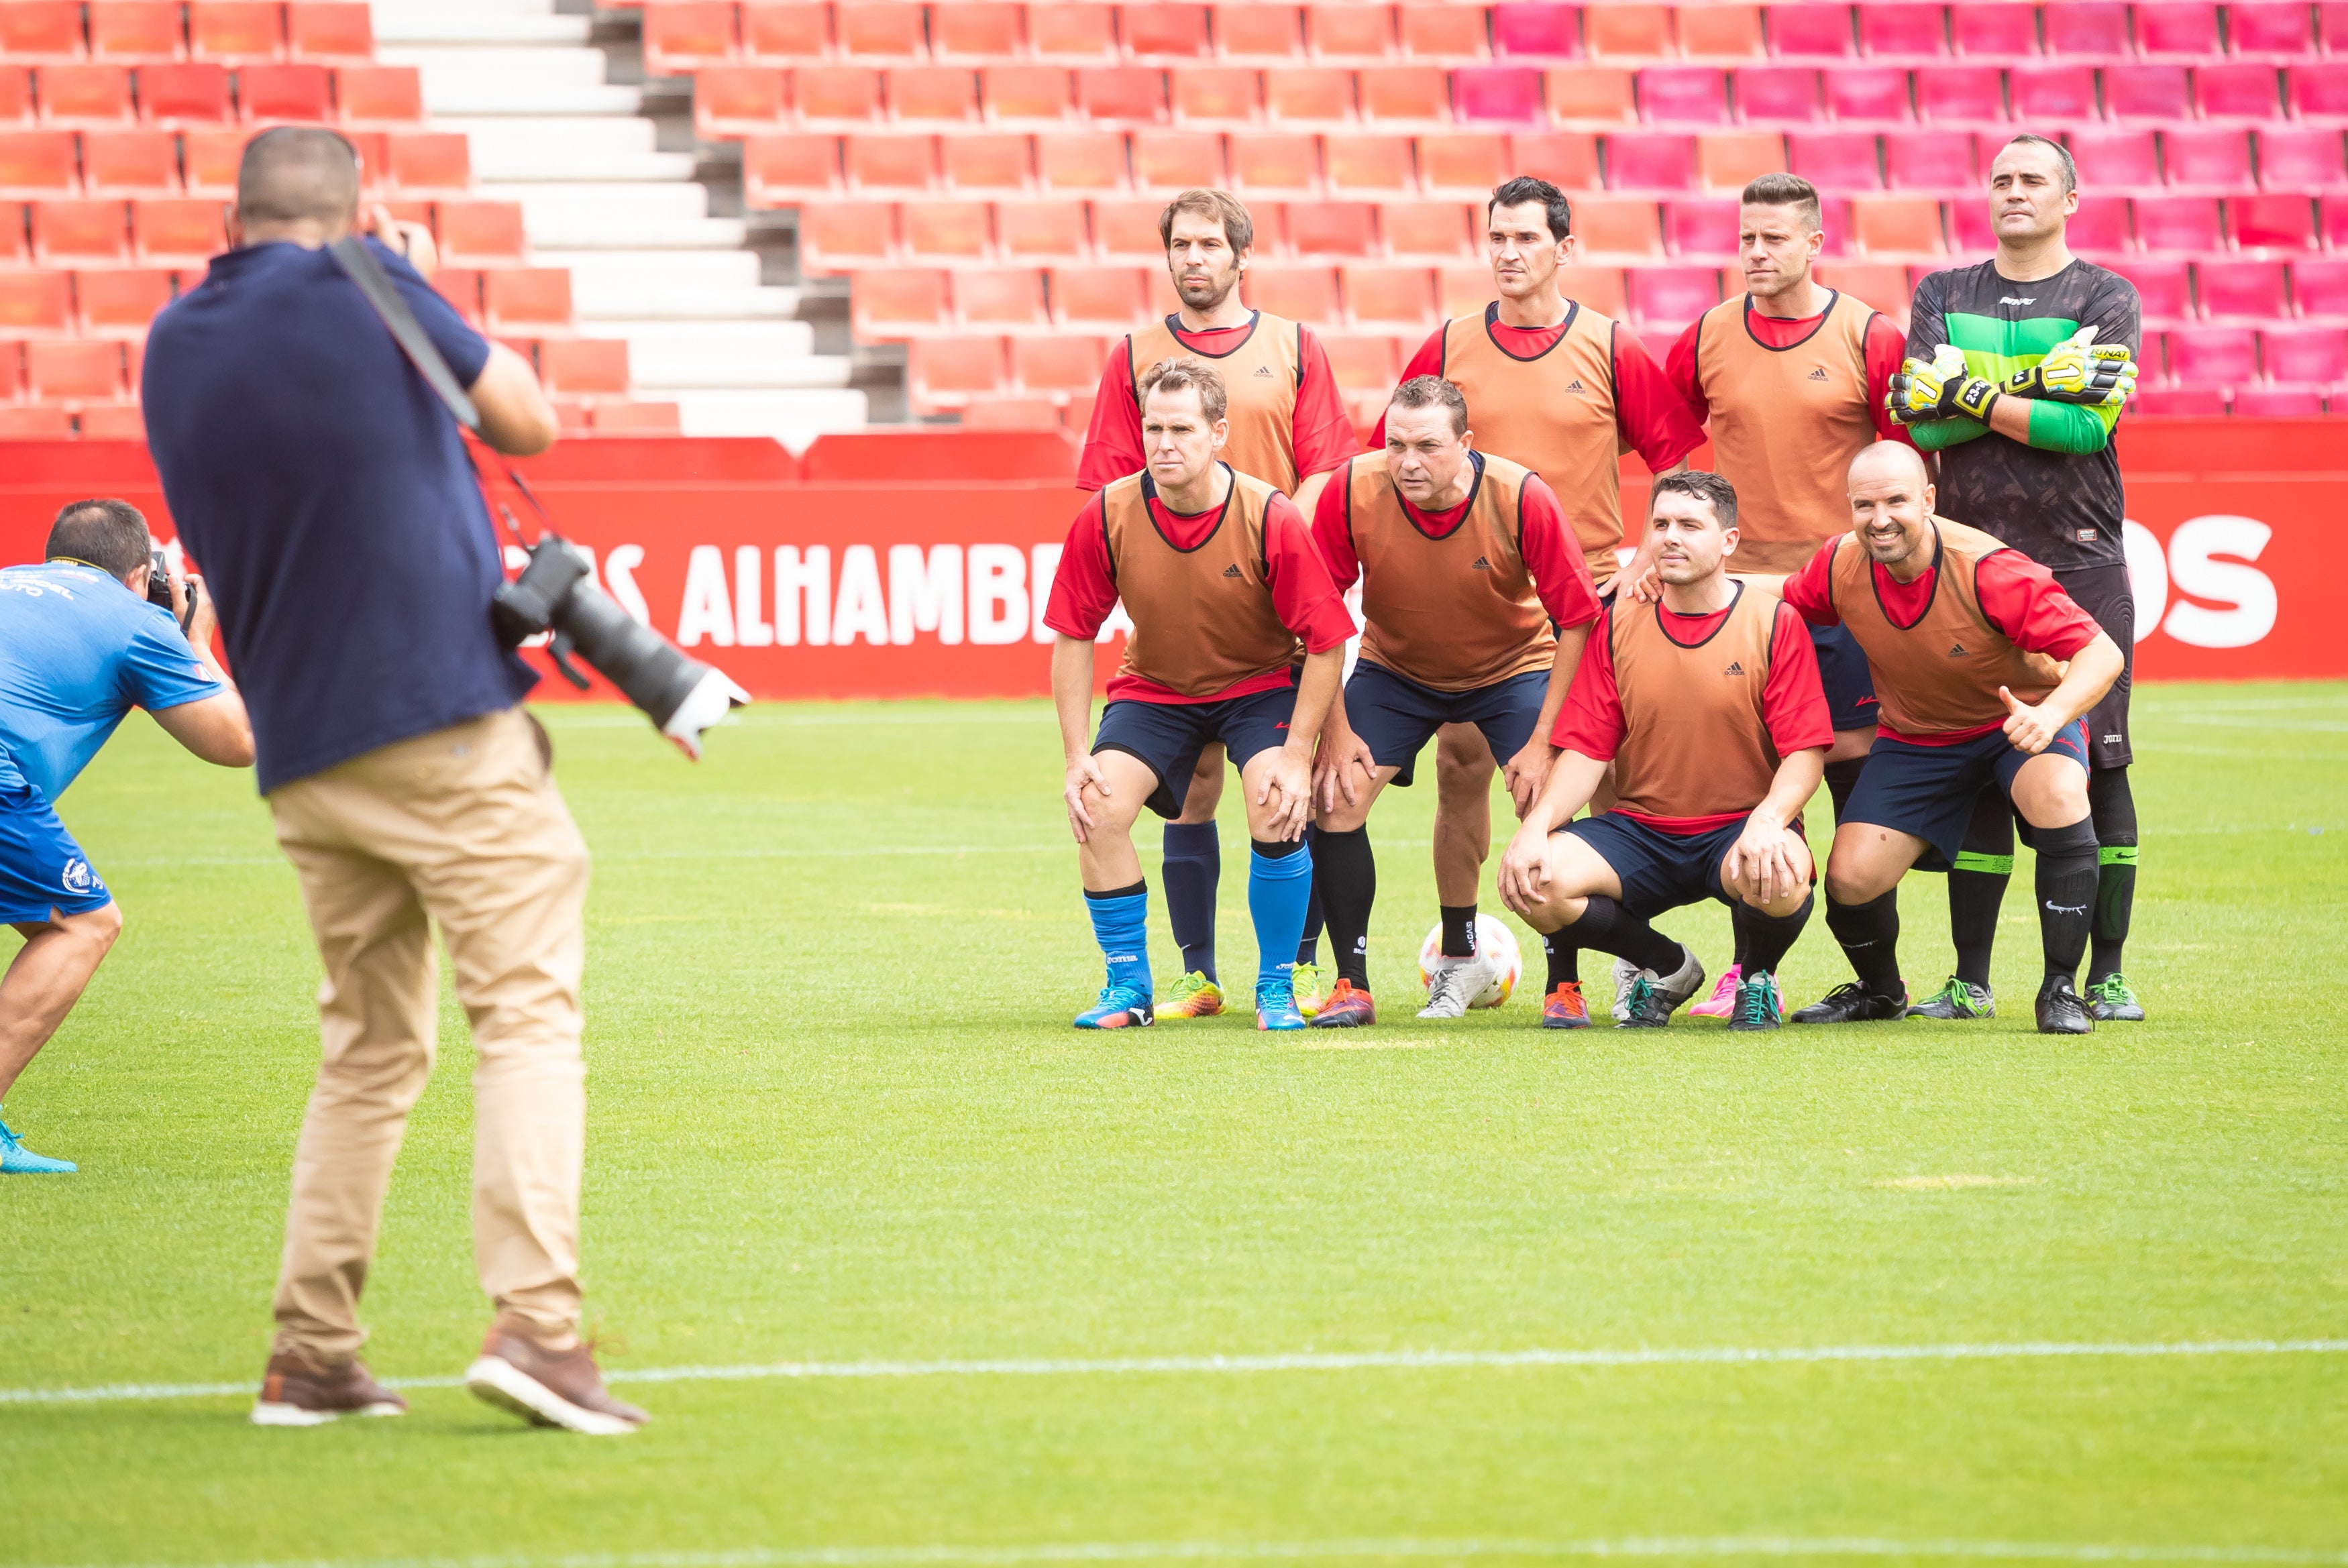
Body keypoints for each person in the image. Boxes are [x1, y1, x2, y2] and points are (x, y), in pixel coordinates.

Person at [140, 127, 645, 1434]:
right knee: (528, 1008)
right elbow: (526, 416)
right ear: (350, 213)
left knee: (368, 1045)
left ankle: (312, 1348)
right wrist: (408, 283)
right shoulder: (370, 285)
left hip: (301, 746)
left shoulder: (173, 340)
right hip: (436, 714)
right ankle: (537, 1322)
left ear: (239, 215)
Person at [1377, 176, 1707, 998]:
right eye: (1495, 237)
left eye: (1525, 238)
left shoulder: (1606, 343)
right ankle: (1457, 957)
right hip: (1478, 598)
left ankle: (1621, 956)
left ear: (1564, 248)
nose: (1507, 253)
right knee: (1460, 767)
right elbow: (1391, 460)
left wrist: (1639, 557)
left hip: (1587, 601)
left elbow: (1678, 456)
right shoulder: (1449, 344)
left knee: (1598, 777)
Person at [1077, 189, 1364, 1025]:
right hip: (1177, 629)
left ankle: (1296, 971)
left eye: (1209, 244)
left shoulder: (1293, 346)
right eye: (1179, 245)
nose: (1193, 258)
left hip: (1279, 609)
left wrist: (1270, 546)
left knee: (1297, 786)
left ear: (1241, 256)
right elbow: (1111, 490)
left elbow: (1323, 472)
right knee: (1192, 794)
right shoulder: (1132, 354)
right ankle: (1195, 975)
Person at [1888, 133, 2146, 1024]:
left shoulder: (2108, 296)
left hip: (2080, 555)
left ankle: (2103, 973)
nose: (2014, 191)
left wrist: (1968, 390)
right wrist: (2044, 382)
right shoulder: (1942, 293)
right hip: (1967, 561)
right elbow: (1921, 427)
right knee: (1980, 764)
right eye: (2001, 178)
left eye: (2034, 179)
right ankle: (1970, 979)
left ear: (2069, 199)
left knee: (2101, 764)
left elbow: (2085, 433)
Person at [1661, 172, 1913, 1023]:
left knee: (1849, 779)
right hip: (1743, 603)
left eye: (1774, 238)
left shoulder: (1868, 336)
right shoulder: (1705, 336)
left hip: (1840, 600)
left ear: (1813, 243)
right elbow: (1670, 436)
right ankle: (1746, 972)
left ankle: (1884, 981)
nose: (1756, 253)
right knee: (1755, 780)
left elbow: (1910, 461)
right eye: (1745, 239)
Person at [1769, 444, 2124, 1035]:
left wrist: (2052, 712)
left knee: (2060, 794)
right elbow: (1779, 596)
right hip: (1919, 738)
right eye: (1865, 505)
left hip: (2020, 722)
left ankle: (2060, 988)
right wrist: (1697, 581)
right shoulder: (1839, 563)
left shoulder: (1991, 569)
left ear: (1928, 500)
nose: (1879, 518)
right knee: (1850, 880)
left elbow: (2101, 652)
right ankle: (1881, 992)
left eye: (1896, 501)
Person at [1304, 376, 1602, 1026]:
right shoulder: (1351, 490)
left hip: (1511, 668)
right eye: (1395, 445)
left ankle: (1565, 984)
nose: (1407, 462)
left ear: (1465, 444)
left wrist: (1543, 739)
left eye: (1428, 447)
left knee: (1543, 799)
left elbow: (1576, 619)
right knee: (1335, 797)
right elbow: (1317, 615)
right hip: (1395, 669)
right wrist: (1334, 730)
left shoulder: (1521, 496)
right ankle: (1350, 984)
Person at [1496, 471, 1829, 1030]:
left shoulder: (1774, 622)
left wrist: (1769, 820)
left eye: (1690, 525)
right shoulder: (1620, 623)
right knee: (1534, 883)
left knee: (1783, 873)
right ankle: (1667, 966)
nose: (1671, 537)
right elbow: (1586, 750)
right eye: (1661, 524)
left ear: (1728, 541)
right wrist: (1538, 826)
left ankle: (1757, 978)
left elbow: (1805, 752)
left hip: (1737, 828)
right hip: (1642, 831)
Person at [0, 501, 253, 1174]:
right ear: (143, 574)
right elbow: (238, 741)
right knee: (81, 924)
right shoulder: (136, 620)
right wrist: (195, 639)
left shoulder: (7, 578)